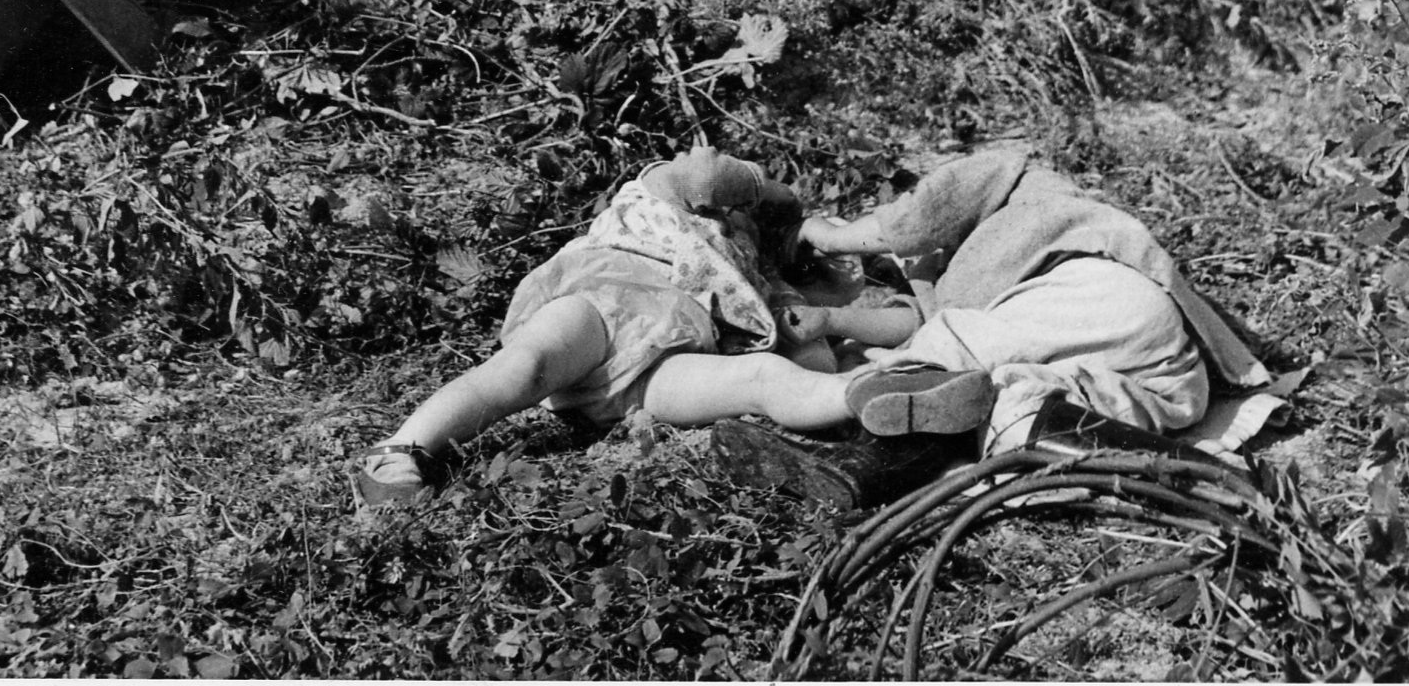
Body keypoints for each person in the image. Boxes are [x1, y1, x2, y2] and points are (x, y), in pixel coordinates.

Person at [354, 147, 983, 509]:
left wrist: (830, 316)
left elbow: (850, 335)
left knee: (766, 376)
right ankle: (400, 454)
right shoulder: (677, 194)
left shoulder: (757, 286)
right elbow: (712, 173)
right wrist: (794, 207)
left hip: (658, 368)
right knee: (527, 368)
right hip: (607, 301)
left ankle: (882, 396)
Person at [792, 142, 1269, 452]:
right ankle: (1184, 471)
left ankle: (835, 418)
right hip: (1164, 376)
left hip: (1096, 294)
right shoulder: (952, 280)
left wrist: (829, 233)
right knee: (1005, 402)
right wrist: (832, 321)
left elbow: (916, 219)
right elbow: (913, 320)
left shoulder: (1013, 174)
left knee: (947, 349)